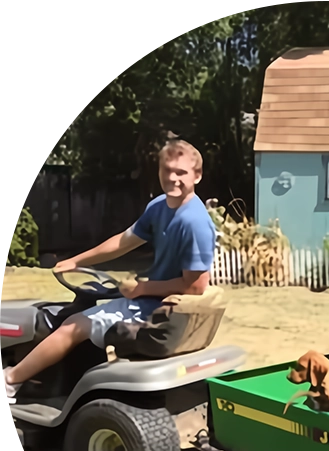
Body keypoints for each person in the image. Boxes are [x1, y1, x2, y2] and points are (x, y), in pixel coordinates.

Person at [2, 139, 217, 404]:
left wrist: (142, 289)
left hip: (156, 308)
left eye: (181, 172)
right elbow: (123, 242)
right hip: (150, 301)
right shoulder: (160, 207)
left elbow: (196, 286)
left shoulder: (194, 221)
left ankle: (9, 381)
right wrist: (77, 261)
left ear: (197, 175)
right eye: (167, 170)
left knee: (71, 326)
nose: (172, 178)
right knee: (87, 316)